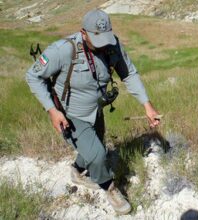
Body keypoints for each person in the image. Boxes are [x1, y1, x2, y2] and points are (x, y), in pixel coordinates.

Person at [26, 9, 160, 214]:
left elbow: (129, 74)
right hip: (70, 114)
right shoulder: (63, 50)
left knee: (97, 144)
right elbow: (33, 77)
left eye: (105, 38)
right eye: (97, 39)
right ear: (83, 33)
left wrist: (147, 105)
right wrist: (52, 110)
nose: (104, 44)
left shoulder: (113, 46)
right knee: (98, 155)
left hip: (96, 110)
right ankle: (110, 188)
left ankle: (77, 171)